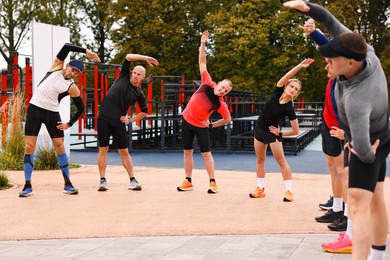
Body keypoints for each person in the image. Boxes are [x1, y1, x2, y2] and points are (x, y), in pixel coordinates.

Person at [284, 1, 390, 259]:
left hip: (369, 141)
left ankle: (359, 249)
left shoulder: (357, 98)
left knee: (358, 201)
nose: (326, 62)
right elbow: (330, 22)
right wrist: (308, 7)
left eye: (332, 59)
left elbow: (365, 150)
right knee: (376, 197)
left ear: (351, 63)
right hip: (381, 129)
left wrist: (354, 146)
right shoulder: (366, 52)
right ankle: (378, 255)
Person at [19, 43, 101, 197]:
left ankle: (67, 184)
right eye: (73, 70)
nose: (74, 73)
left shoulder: (72, 87)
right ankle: (27, 185)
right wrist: (86, 51)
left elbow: (81, 108)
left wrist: (69, 123)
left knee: (60, 147)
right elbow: (66, 47)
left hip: (52, 114)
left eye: (77, 73)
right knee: (29, 146)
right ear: (67, 65)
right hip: (34, 110)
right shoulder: (56, 67)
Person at [304, 20, 352, 253]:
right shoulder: (332, 77)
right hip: (328, 126)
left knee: (344, 172)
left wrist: (316, 33)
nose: (327, 64)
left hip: (342, 129)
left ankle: (346, 214)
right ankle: (336, 206)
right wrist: (313, 32)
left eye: (330, 61)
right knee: (333, 169)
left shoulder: (347, 77)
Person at [249, 58, 315, 201]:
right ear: (286, 86)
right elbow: (286, 76)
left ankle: (289, 192)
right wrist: (299, 65)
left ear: (296, 94)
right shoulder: (277, 90)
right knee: (260, 159)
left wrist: (280, 133)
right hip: (259, 129)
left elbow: (295, 131)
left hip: (272, 134)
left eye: (296, 89)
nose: (293, 89)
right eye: (291, 86)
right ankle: (260, 189)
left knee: (282, 162)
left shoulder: (289, 108)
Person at [177, 30, 233, 194]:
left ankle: (212, 182)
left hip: (201, 127)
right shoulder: (207, 82)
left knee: (206, 154)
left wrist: (211, 125)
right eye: (222, 87)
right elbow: (202, 62)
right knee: (187, 152)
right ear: (218, 83)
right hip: (187, 122)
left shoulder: (220, 103)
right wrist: (202, 44)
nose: (223, 90)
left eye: (226, 91)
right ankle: (188, 181)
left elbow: (228, 119)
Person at [97, 54, 159, 192]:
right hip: (104, 118)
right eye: (135, 73)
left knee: (124, 151)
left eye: (139, 74)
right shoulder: (124, 76)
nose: (135, 76)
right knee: (103, 149)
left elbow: (144, 112)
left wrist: (130, 120)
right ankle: (102, 180)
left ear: (143, 77)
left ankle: (132, 180)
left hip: (119, 122)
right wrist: (145, 58)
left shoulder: (139, 93)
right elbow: (128, 56)